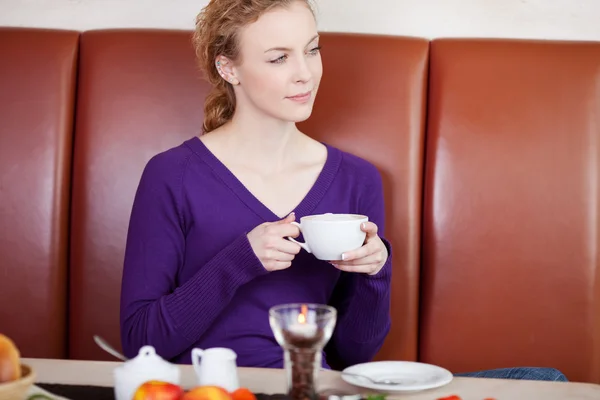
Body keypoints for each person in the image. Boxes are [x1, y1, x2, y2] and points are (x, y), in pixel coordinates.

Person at [119, 0, 567, 382]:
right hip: (217, 389)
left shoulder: (357, 179)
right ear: (228, 67)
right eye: (279, 59)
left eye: (312, 51)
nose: (305, 74)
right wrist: (238, 261)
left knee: (544, 383)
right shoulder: (172, 174)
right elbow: (141, 339)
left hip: (321, 388)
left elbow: (354, 356)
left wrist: (376, 274)